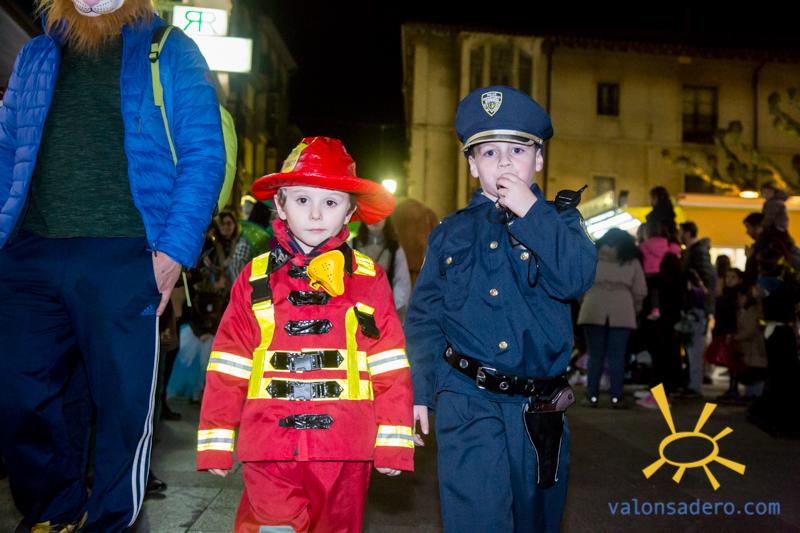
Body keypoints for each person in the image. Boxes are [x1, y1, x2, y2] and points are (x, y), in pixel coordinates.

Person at [0, 1, 225, 530]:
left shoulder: (169, 50)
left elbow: (203, 153)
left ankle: (110, 522)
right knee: (20, 397)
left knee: (123, 413)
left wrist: (172, 254)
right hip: (29, 252)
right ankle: (53, 514)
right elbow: (8, 148)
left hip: (125, 255)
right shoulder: (36, 53)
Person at [197, 137, 414, 532]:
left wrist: (393, 441)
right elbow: (229, 359)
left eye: (330, 202)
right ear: (280, 204)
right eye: (301, 200)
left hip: (346, 448)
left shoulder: (369, 279)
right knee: (269, 525)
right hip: (269, 445)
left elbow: (389, 362)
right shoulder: (255, 277)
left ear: (350, 210)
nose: (315, 214)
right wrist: (216, 439)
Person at [405, 86, 597, 532]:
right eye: (489, 152)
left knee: (535, 521)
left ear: (540, 159)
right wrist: (418, 389)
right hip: (466, 399)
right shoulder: (450, 232)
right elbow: (425, 316)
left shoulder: (562, 223)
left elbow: (574, 278)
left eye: (518, 149)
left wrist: (532, 213)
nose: (505, 162)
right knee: (477, 518)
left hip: (537, 409)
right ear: (472, 165)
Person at [578, 228, 646, 408]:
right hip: (622, 308)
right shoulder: (631, 260)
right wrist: (636, 308)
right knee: (617, 356)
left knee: (594, 356)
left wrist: (584, 300)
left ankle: (592, 396)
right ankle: (616, 397)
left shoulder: (592, 255)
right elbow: (640, 290)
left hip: (593, 306)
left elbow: (579, 283)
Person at [678, 221, 715, 396]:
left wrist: (700, 300)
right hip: (696, 307)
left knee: (695, 350)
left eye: (681, 231)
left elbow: (705, 280)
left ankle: (694, 386)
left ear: (687, 233)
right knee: (693, 349)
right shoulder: (696, 252)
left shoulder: (697, 253)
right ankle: (692, 384)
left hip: (696, 308)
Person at [352, 217, 413, 320]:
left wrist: (393, 312)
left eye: (379, 216)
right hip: (356, 311)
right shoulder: (352, 245)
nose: (375, 220)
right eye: (371, 215)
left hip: (385, 313)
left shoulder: (394, 248)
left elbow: (402, 282)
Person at [639, 221, 681, 320]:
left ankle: (653, 310)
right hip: (661, 281)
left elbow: (638, 253)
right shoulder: (666, 245)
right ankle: (656, 310)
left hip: (647, 273)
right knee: (655, 293)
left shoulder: (644, 245)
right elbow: (674, 249)